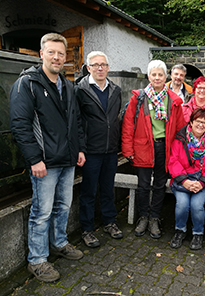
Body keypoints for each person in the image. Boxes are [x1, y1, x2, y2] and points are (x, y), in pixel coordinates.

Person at [9, 33, 86, 282]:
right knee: (41, 213)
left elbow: (76, 122)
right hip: (44, 163)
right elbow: (20, 125)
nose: (56, 57)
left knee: (63, 206)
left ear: (66, 57)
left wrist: (79, 149)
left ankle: (60, 243)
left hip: (67, 160)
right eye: (51, 52)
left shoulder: (68, 86)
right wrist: (34, 159)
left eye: (61, 53)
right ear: (41, 53)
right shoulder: (28, 84)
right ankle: (37, 260)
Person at [122, 60, 185, 239]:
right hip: (143, 147)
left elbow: (180, 129)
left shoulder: (173, 100)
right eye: (154, 74)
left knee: (159, 184)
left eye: (160, 74)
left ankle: (155, 218)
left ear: (165, 77)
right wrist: (127, 149)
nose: (157, 78)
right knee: (143, 184)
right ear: (149, 76)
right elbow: (128, 126)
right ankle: (143, 216)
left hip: (164, 147)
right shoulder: (138, 98)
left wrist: (178, 152)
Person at [76, 51, 123, 248]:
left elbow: (116, 119)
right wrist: (80, 148)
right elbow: (77, 122)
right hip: (90, 151)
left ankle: (109, 221)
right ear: (88, 68)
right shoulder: (80, 90)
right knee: (88, 191)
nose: (100, 68)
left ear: (108, 67)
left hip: (110, 150)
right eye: (95, 65)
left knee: (107, 188)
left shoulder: (116, 90)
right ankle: (86, 229)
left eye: (103, 64)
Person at [168, 108, 205, 250]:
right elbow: (173, 161)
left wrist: (202, 182)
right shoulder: (180, 139)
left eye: (204, 122)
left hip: (202, 181)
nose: (201, 125)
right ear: (191, 122)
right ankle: (180, 230)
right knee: (182, 204)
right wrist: (185, 181)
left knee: (197, 205)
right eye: (198, 121)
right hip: (182, 180)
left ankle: (198, 233)